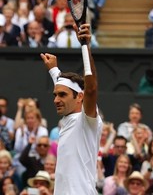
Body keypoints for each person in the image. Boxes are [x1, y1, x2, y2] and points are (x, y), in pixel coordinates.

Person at [40, 22, 103, 195]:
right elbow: (65, 88)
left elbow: (90, 89)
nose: (56, 100)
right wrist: (54, 71)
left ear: (80, 97)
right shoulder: (69, 113)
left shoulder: (87, 120)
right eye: (55, 95)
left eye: (61, 95)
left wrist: (85, 46)